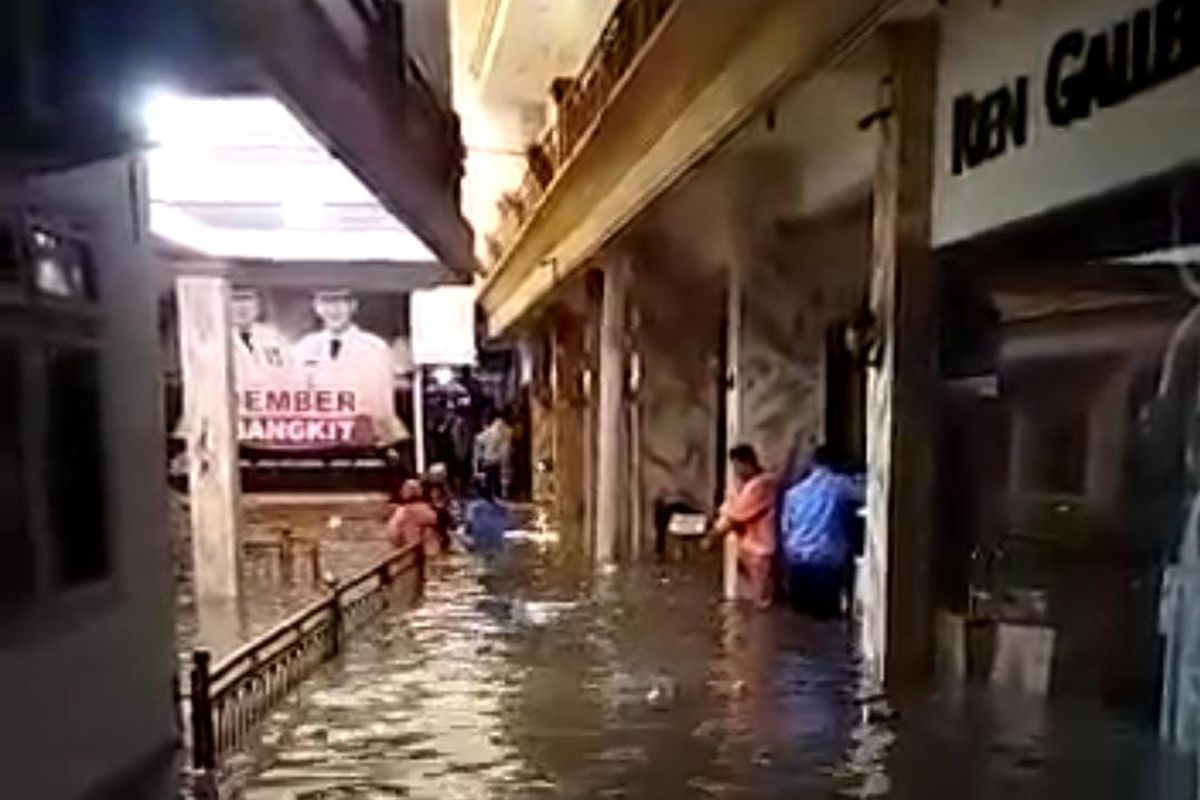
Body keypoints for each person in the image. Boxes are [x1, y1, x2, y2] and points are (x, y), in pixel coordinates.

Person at [292, 288, 406, 444]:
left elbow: (381, 404)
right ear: (317, 307)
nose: (334, 310)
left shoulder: (374, 347)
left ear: (353, 306)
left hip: (362, 438)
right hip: (316, 437)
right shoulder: (303, 347)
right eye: (327, 302)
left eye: (341, 302)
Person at [780, 445, 865, 619]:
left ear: (813, 464)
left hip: (796, 558)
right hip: (826, 560)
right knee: (826, 617)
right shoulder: (839, 485)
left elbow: (786, 528)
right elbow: (873, 495)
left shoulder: (794, 493)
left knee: (800, 618)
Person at [708, 445, 778, 609]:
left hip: (760, 550)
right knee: (746, 603)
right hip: (745, 548)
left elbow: (736, 515)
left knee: (762, 601)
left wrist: (712, 537)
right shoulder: (741, 485)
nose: (736, 471)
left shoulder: (763, 485)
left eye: (738, 466)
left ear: (748, 463)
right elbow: (727, 511)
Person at [386, 479, 440, 556]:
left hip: (401, 546)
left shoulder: (400, 509)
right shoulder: (420, 509)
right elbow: (434, 519)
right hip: (412, 546)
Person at [474, 410, 512, 498]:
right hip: (503, 459)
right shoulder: (509, 431)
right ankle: (503, 493)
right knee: (503, 477)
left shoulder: (487, 433)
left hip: (489, 459)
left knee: (490, 481)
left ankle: (492, 495)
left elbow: (479, 440)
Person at [464, 479, 509, 553]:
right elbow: (505, 524)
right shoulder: (502, 507)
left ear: (477, 492)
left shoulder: (473, 507)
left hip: (480, 546)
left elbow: (468, 528)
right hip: (498, 545)